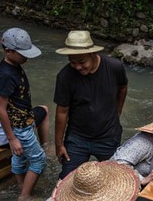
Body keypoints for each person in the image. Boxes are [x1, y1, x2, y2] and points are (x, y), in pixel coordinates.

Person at [54, 30, 129, 179]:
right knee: (66, 181)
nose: (77, 67)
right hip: (77, 138)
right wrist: (59, 144)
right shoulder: (65, 76)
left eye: (81, 62)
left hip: (108, 135)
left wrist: (117, 113)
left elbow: (122, 88)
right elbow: (62, 111)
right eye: (72, 62)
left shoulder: (114, 67)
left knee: (114, 179)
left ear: (93, 54)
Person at [0, 28, 50, 201]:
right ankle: (25, 197)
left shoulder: (14, 66)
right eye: (22, 54)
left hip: (23, 121)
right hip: (19, 127)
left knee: (19, 157)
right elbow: (1, 108)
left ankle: (21, 187)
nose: (26, 57)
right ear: (8, 51)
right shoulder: (6, 75)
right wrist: (12, 138)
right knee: (39, 159)